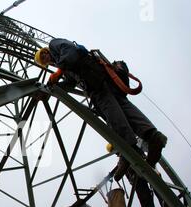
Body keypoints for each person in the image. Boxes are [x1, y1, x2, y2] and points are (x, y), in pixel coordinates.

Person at [34, 39, 168, 181]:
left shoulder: (54, 45)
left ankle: (129, 149)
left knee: (112, 114)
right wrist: (55, 87)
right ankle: (153, 136)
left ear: (46, 51)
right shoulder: (62, 64)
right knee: (125, 109)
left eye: (43, 55)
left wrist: (59, 71)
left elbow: (71, 54)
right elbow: (71, 82)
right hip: (103, 80)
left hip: (96, 83)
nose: (45, 58)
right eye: (43, 60)